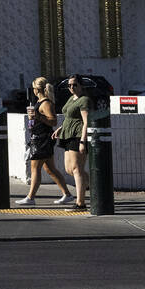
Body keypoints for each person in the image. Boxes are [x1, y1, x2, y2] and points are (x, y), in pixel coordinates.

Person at [15, 76, 72, 206]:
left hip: (42, 140)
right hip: (40, 138)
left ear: (37, 89)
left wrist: (38, 116)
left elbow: (53, 121)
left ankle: (30, 197)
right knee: (50, 169)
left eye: (33, 88)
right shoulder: (40, 102)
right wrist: (35, 117)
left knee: (35, 168)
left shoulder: (46, 103)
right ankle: (67, 194)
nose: (33, 91)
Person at [51, 74, 92, 211]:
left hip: (77, 135)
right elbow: (69, 117)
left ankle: (80, 203)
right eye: (69, 85)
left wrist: (82, 141)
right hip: (67, 135)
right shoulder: (71, 99)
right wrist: (60, 128)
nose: (71, 87)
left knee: (76, 169)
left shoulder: (84, 100)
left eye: (74, 85)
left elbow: (86, 122)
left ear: (81, 86)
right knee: (69, 169)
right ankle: (95, 183)